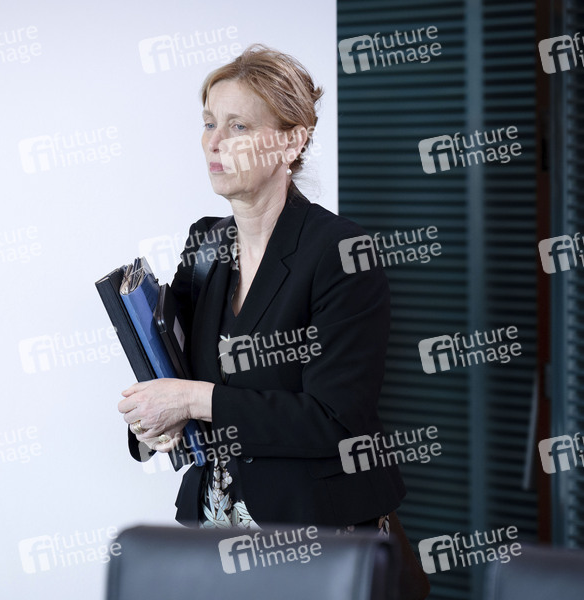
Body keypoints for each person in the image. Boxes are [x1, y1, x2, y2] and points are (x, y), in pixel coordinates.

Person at [117, 44, 428, 599]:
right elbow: (177, 370)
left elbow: (334, 421)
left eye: (238, 126)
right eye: (209, 123)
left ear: (292, 140)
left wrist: (190, 400)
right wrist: (151, 420)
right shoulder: (206, 242)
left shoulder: (341, 252)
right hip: (216, 534)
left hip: (320, 539)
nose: (214, 141)